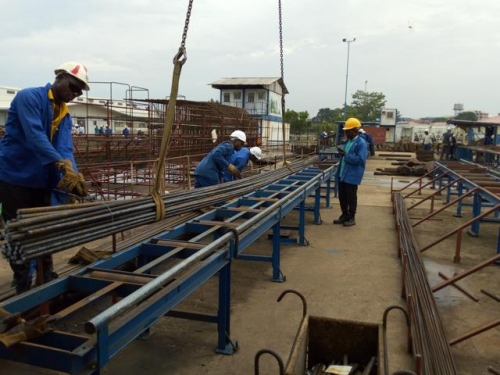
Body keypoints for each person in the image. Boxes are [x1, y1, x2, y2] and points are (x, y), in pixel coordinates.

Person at [0, 61, 89, 294]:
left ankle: (44, 274)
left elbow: (65, 148)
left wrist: (74, 175)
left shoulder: (65, 114)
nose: (75, 94)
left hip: (41, 178)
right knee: (20, 230)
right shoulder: (29, 97)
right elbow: (35, 135)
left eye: (80, 91)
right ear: (59, 77)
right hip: (15, 176)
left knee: (44, 228)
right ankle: (22, 281)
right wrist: (60, 163)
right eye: (73, 86)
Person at [333, 118, 367, 227]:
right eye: (346, 131)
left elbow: (360, 159)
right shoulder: (348, 141)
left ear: (355, 130)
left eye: (348, 131)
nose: (346, 133)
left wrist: (346, 155)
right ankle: (344, 214)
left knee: (351, 196)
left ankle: (352, 217)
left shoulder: (361, 143)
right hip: (343, 173)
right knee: (342, 196)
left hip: (352, 175)